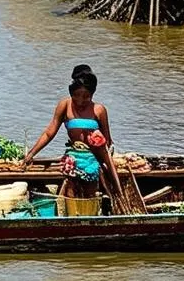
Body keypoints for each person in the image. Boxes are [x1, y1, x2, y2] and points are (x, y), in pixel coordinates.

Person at [24, 69, 123, 201]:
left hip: (94, 157)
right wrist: (31, 154)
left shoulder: (99, 110)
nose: (80, 101)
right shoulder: (65, 105)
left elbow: (108, 142)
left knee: (90, 193)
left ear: (92, 94)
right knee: (70, 192)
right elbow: (49, 133)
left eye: (86, 97)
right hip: (73, 156)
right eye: (76, 95)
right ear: (71, 93)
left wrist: (99, 144)